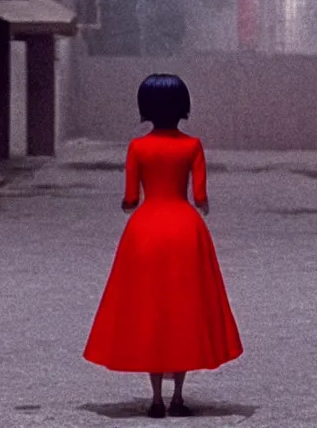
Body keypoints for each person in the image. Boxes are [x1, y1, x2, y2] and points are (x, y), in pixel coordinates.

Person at [83, 74, 243, 418]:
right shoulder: (192, 145)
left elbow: (130, 198)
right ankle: (179, 397)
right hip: (185, 228)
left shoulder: (138, 147)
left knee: (151, 309)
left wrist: (130, 205)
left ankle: (155, 399)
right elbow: (200, 196)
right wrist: (200, 203)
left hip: (146, 229)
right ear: (182, 107)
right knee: (184, 309)